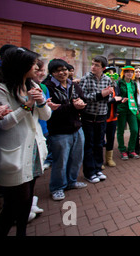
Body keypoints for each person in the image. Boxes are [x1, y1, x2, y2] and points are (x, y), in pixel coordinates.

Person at [0, 47, 51, 236]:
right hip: (15, 153)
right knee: (13, 204)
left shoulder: (33, 86)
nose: (37, 67)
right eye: (33, 63)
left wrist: (41, 102)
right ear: (20, 66)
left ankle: (22, 232)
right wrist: (27, 106)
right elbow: (4, 124)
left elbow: (46, 116)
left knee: (27, 200)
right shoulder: (1, 90)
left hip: (34, 149)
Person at [43, 59, 87, 201]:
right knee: (60, 161)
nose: (62, 73)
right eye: (57, 70)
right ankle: (57, 187)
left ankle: (71, 182)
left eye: (64, 69)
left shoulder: (73, 85)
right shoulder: (47, 87)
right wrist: (74, 106)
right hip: (59, 130)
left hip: (76, 128)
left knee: (76, 158)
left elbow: (82, 99)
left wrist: (81, 103)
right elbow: (53, 109)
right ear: (52, 73)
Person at [79, 56, 113, 183]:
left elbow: (108, 98)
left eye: (97, 65)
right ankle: (89, 172)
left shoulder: (107, 79)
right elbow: (83, 97)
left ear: (103, 68)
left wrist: (108, 96)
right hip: (88, 116)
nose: (93, 67)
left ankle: (98, 169)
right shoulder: (85, 78)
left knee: (99, 144)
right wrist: (100, 95)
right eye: (92, 64)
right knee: (89, 145)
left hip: (102, 116)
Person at [116, 66, 140, 160]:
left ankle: (131, 150)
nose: (129, 73)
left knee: (134, 130)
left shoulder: (134, 83)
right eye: (127, 72)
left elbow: (135, 96)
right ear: (123, 73)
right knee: (120, 130)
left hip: (132, 109)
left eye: (131, 72)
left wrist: (136, 108)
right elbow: (116, 96)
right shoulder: (119, 83)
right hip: (122, 109)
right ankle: (122, 150)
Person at [103, 67, 121, 167]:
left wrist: (121, 100)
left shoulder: (115, 85)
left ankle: (109, 158)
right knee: (100, 139)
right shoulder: (102, 85)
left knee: (110, 138)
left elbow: (117, 97)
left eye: (113, 73)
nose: (111, 75)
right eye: (109, 73)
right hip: (103, 116)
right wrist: (114, 100)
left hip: (113, 116)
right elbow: (102, 99)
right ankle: (98, 160)